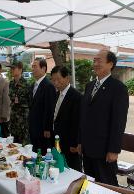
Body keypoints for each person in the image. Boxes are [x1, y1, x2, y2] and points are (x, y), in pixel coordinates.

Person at [79, 49, 129, 186]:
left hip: (104, 150)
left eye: (99, 60)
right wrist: (80, 141)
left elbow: (119, 122)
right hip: (87, 148)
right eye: (94, 60)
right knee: (90, 184)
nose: (95, 63)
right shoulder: (89, 86)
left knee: (108, 185)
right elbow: (83, 117)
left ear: (110, 64)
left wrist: (114, 150)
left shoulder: (118, 88)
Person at [51, 66, 82, 171]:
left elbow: (77, 122)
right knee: (60, 168)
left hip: (70, 142)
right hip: (58, 140)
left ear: (67, 78)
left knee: (73, 170)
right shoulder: (56, 94)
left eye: (58, 79)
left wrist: (75, 143)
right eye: (53, 79)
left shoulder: (76, 96)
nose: (55, 82)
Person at [29, 58, 56, 152]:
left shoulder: (48, 86)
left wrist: (47, 128)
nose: (32, 69)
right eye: (32, 66)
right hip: (33, 127)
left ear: (43, 68)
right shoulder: (33, 85)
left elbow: (50, 109)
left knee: (43, 154)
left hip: (43, 130)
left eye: (35, 66)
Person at [8, 61, 31, 145]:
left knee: (25, 145)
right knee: (14, 145)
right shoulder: (11, 84)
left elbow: (30, 103)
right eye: (11, 68)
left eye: (14, 68)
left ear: (20, 70)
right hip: (14, 119)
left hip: (23, 121)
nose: (11, 70)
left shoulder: (27, 85)